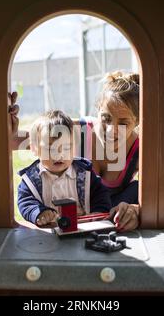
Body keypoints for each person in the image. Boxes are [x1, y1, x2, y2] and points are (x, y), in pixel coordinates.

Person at [9, 71, 140, 231]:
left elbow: (155, 199)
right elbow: (15, 141)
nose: (111, 129)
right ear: (97, 110)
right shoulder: (73, 131)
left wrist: (135, 210)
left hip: (112, 215)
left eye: (124, 123)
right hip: (74, 215)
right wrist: (6, 119)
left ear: (137, 121)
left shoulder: (141, 150)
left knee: (137, 188)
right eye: (106, 118)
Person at [17, 110, 112, 227]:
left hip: (83, 228)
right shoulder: (31, 180)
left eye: (67, 148)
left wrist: (98, 212)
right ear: (34, 148)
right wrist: (38, 212)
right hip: (49, 233)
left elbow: (101, 195)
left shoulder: (84, 174)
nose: (60, 154)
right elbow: (25, 202)